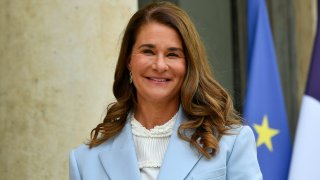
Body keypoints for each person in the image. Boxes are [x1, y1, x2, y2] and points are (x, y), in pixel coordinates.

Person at [69, 1, 262, 180]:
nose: (160, 65)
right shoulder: (84, 161)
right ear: (129, 60)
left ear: (189, 65)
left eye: (172, 54)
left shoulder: (232, 143)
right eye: (148, 51)